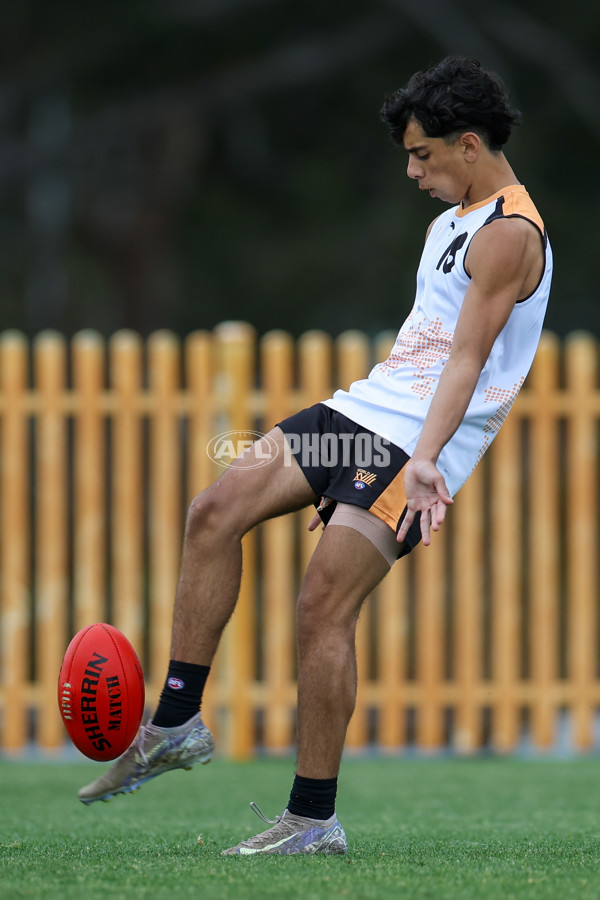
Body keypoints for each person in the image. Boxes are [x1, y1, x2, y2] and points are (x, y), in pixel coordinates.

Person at [78, 56, 553, 855]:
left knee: (320, 607)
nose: (413, 171)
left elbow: (468, 361)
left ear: (469, 145)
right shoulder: (451, 221)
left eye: (423, 155)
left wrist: (425, 461)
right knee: (213, 512)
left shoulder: (510, 233)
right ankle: (176, 724)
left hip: (416, 443)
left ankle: (312, 819)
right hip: (361, 413)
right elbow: (425, 345)